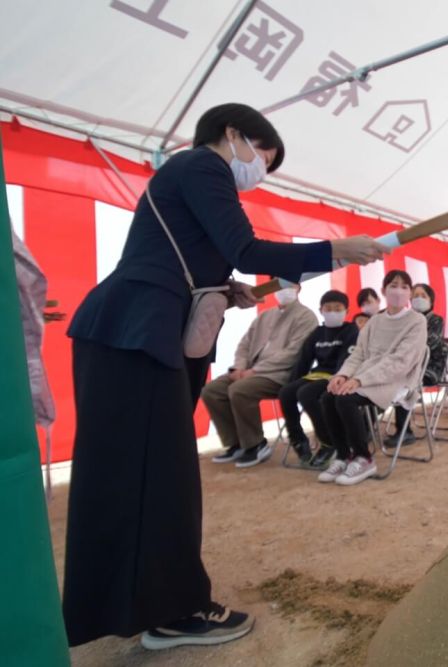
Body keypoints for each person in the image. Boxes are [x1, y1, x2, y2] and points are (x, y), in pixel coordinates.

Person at [63, 102, 388, 651]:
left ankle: (131, 604)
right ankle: (174, 611)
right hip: (136, 331)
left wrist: (220, 285)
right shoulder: (201, 167)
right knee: (161, 476)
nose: (260, 170)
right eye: (264, 156)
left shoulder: (189, 179)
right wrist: (336, 250)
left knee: (133, 474)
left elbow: (206, 257)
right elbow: (248, 249)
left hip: (133, 332)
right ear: (232, 134)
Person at [315, 270, 427, 484]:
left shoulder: (417, 321)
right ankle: (342, 455)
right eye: (394, 285)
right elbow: (358, 353)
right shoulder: (375, 321)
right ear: (384, 290)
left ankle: (363, 457)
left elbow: (400, 362)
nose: (399, 290)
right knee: (329, 395)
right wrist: (343, 375)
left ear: (410, 293)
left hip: (396, 379)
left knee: (345, 400)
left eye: (405, 287)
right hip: (367, 374)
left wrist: (359, 380)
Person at [203, 284, 317, 467]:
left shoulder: (306, 317)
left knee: (240, 390)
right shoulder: (266, 315)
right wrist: (239, 368)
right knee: (211, 390)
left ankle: (256, 444)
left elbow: (293, 354)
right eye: (280, 284)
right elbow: (244, 345)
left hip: (281, 375)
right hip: (250, 371)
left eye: (289, 284)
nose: (284, 289)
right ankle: (236, 443)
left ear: (299, 288)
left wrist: (255, 371)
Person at [278, 290, 359, 463]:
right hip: (317, 375)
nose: (332, 312)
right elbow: (304, 360)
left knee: (306, 393)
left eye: (337, 308)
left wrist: (340, 378)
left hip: (339, 375)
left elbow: (347, 358)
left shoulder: (351, 330)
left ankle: (329, 442)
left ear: (347, 310)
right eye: (328, 308)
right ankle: (298, 440)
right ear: (320, 310)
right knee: (286, 393)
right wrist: (293, 383)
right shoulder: (318, 332)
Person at [391, 282, 448, 445]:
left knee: (402, 381)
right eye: (415, 295)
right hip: (406, 367)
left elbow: (428, 344)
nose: (418, 298)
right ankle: (366, 428)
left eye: (423, 296)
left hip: (429, 369)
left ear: (431, 300)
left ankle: (405, 432)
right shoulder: (404, 319)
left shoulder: (436, 320)